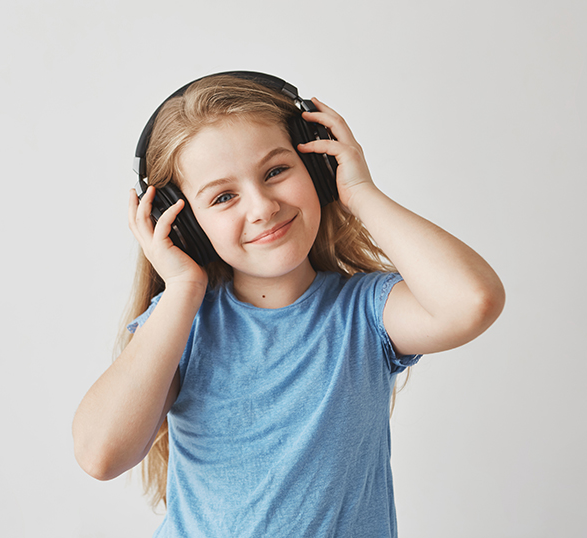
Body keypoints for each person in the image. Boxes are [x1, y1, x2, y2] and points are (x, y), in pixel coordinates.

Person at [72, 74, 505, 537]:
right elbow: (101, 455)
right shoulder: (182, 323)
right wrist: (181, 288)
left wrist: (359, 193)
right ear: (184, 225)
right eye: (223, 197)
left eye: (276, 171)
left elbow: (472, 301)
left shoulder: (365, 314)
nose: (261, 207)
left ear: (317, 167)